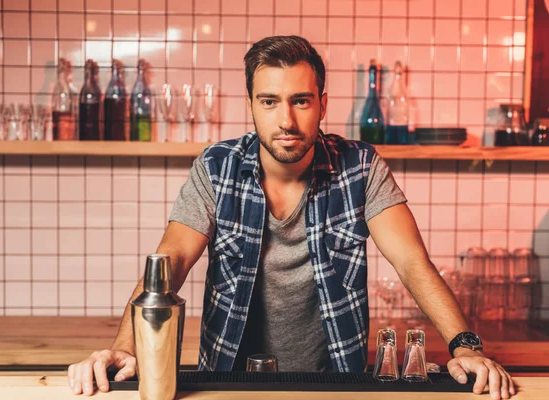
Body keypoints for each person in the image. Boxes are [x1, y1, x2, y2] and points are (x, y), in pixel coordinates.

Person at [68, 36, 516, 400]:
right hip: (228, 380)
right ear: (251, 105)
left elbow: (413, 264)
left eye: (300, 101)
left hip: (334, 382)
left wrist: (466, 347)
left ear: (322, 103)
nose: (286, 119)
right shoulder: (215, 167)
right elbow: (171, 261)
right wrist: (123, 349)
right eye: (269, 101)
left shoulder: (360, 166)